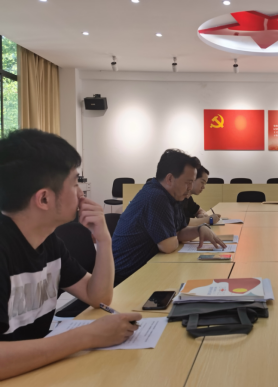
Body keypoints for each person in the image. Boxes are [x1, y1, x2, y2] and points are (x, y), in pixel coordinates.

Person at [0, 129, 141, 381]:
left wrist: (104, 240)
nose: (81, 193)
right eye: (75, 183)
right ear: (44, 198)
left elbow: (98, 297)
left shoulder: (48, 240)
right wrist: (88, 336)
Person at [112, 150, 226, 284]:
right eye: (188, 182)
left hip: (145, 269)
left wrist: (199, 229)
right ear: (170, 179)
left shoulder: (173, 196)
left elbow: (179, 232)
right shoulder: (156, 196)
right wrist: (175, 235)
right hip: (126, 279)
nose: (190, 188)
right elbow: (169, 246)